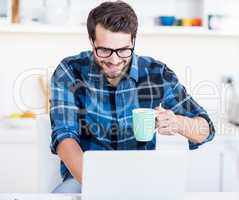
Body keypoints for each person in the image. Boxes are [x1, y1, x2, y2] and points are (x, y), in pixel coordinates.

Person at [50, 1, 215, 193]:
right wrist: (101, 188)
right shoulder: (70, 71)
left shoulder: (157, 74)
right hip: (85, 179)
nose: (114, 60)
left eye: (123, 50)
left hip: (142, 179)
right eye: (104, 50)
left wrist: (177, 122)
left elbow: (206, 128)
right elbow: (64, 137)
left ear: (133, 41)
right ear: (91, 41)